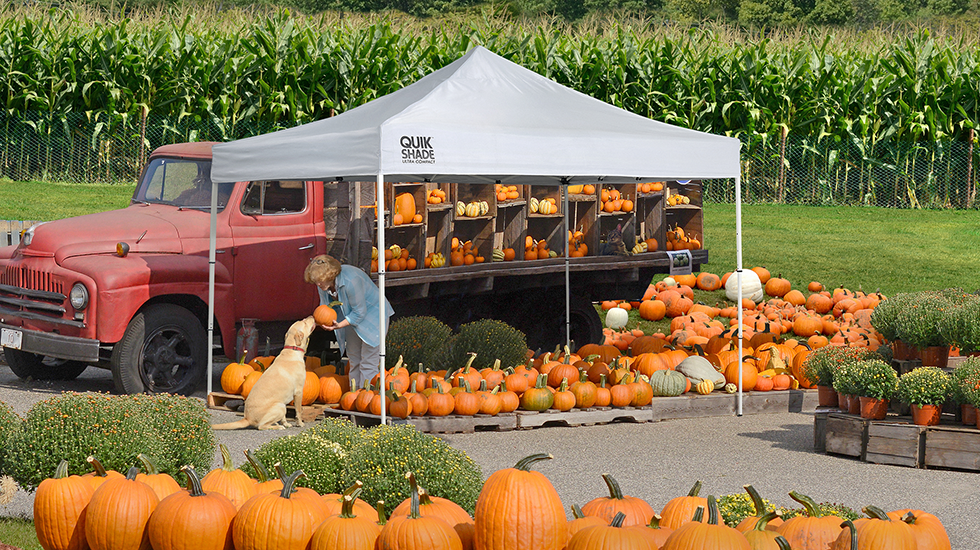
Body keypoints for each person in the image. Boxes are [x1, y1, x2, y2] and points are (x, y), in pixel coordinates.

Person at [304, 254, 394, 388]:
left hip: (373, 316)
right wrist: (315, 321)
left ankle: (366, 396)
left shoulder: (351, 280)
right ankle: (354, 394)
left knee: (368, 362)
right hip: (350, 317)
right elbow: (324, 307)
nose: (317, 284)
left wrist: (339, 325)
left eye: (320, 281)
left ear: (330, 275)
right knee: (354, 358)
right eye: (315, 281)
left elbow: (360, 312)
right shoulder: (322, 283)